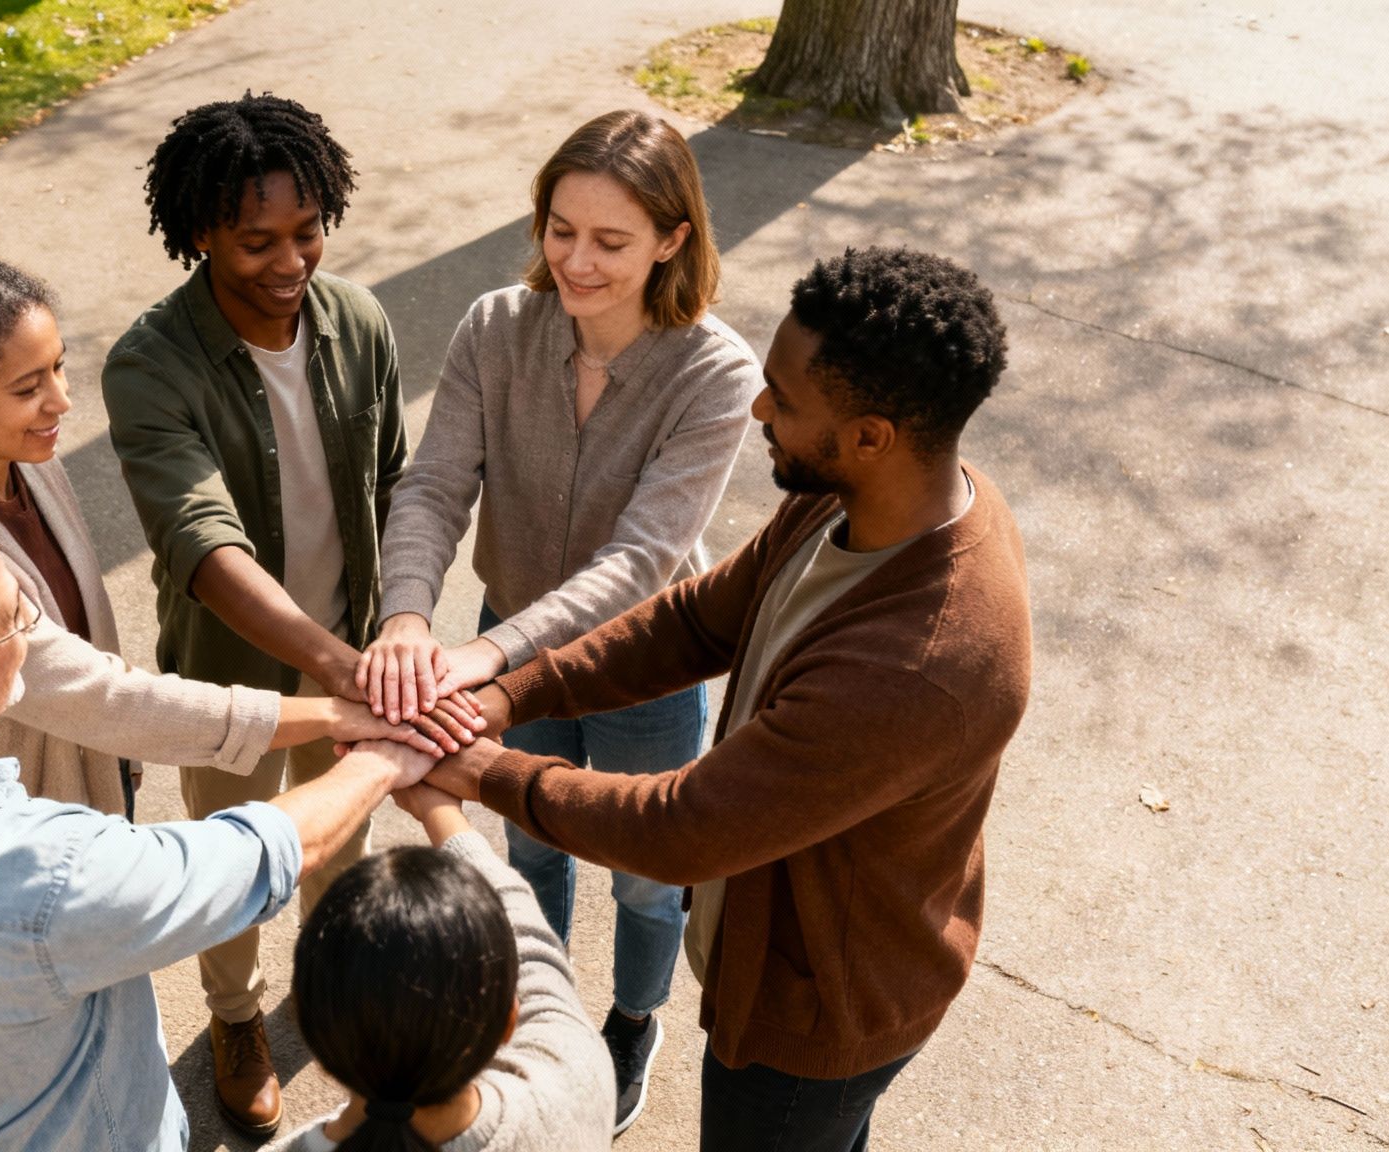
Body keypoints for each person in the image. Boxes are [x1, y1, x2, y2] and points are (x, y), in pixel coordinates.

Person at [425, 247, 1032, 1152]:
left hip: (818, 1008)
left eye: (784, 401)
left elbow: (684, 827)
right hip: (789, 950)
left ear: (871, 435)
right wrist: (518, 691)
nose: (759, 411)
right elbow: (699, 619)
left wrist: (483, 774)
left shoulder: (917, 663)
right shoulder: (857, 502)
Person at [0, 480, 440, 1152]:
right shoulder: (43, 875)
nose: (32, 629)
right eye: (13, 620)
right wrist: (383, 760)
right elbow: (264, 852)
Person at [359, 108, 763, 1132]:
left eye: (611, 241)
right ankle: (545, 1021)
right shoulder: (496, 325)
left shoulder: (714, 373)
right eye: (558, 230)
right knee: (530, 848)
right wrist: (407, 618)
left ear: (673, 238)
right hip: (503, 640)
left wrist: (487, 657)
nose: (576, 262)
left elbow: (639, 564)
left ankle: (632, 1018)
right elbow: (435, 484)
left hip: (642, 665)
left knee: (641, 874)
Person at [0, 251, 477, 816]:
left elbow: (85, 628)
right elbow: (99, 698)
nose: (62, 403)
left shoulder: (23, 457)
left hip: (97, 776)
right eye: (29, 387)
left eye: (59, 367)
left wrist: (118, 765)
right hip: (15, 820)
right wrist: (347, 711)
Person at [102, 92, 426, 1135]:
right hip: (231, 675)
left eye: (306, 232)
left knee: (338, 853)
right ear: (198, 234)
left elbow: (393, 486)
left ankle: (327, 997)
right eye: (255, 241)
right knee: (232, 860)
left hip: (355, 653)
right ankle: (236, 1017)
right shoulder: (150, 364)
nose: (290, 261)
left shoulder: (359, 321)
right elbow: (202, 546)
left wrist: (393, 634)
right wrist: (333, 666)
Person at [271, 785, 615, 1152]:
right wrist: (437, 806)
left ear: (317, 1044)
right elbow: (533, 946)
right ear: (508, 1021)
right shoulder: (576, 1083)